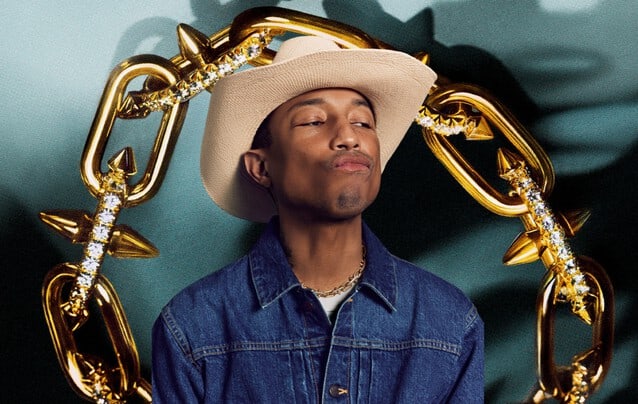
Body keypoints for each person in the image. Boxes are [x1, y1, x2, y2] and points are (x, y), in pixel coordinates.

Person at [152, 35, 484, 403]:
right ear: (261, 168)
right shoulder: (192, 327)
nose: (348, 137)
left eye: (363, 122)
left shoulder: (450, 322)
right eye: (313, 121)